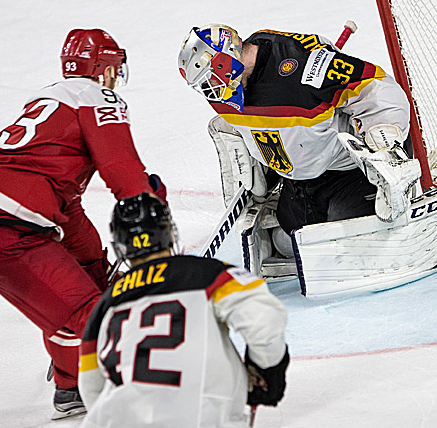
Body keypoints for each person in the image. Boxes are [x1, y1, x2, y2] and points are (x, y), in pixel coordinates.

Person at [0, 28, 167, 420]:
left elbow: (61, 201)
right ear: (104, 69)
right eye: (114, 68)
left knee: (85, 284)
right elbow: (119, 165)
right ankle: (138, 387)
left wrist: (96, 265)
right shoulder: (96, 96)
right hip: (5, 229)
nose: (116, 77)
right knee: (93, 314)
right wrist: (146, 202)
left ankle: (73, 379)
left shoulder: (50, 98)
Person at [79, 193, 292, 428]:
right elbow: (264, 322)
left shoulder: (104, 305)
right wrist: (267, 371)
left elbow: (90, 388)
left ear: (120, 246)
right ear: (169, 233)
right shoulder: (206, 274)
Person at [176, 23, 417, 266]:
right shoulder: (225, 91)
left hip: (350, 170)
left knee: (353, 242)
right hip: (301, 181)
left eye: (208, 79)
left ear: (224, 62)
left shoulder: (305, 68)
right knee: (288, 241)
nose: (208, 90)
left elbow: (377, 87)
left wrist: (385, 135)